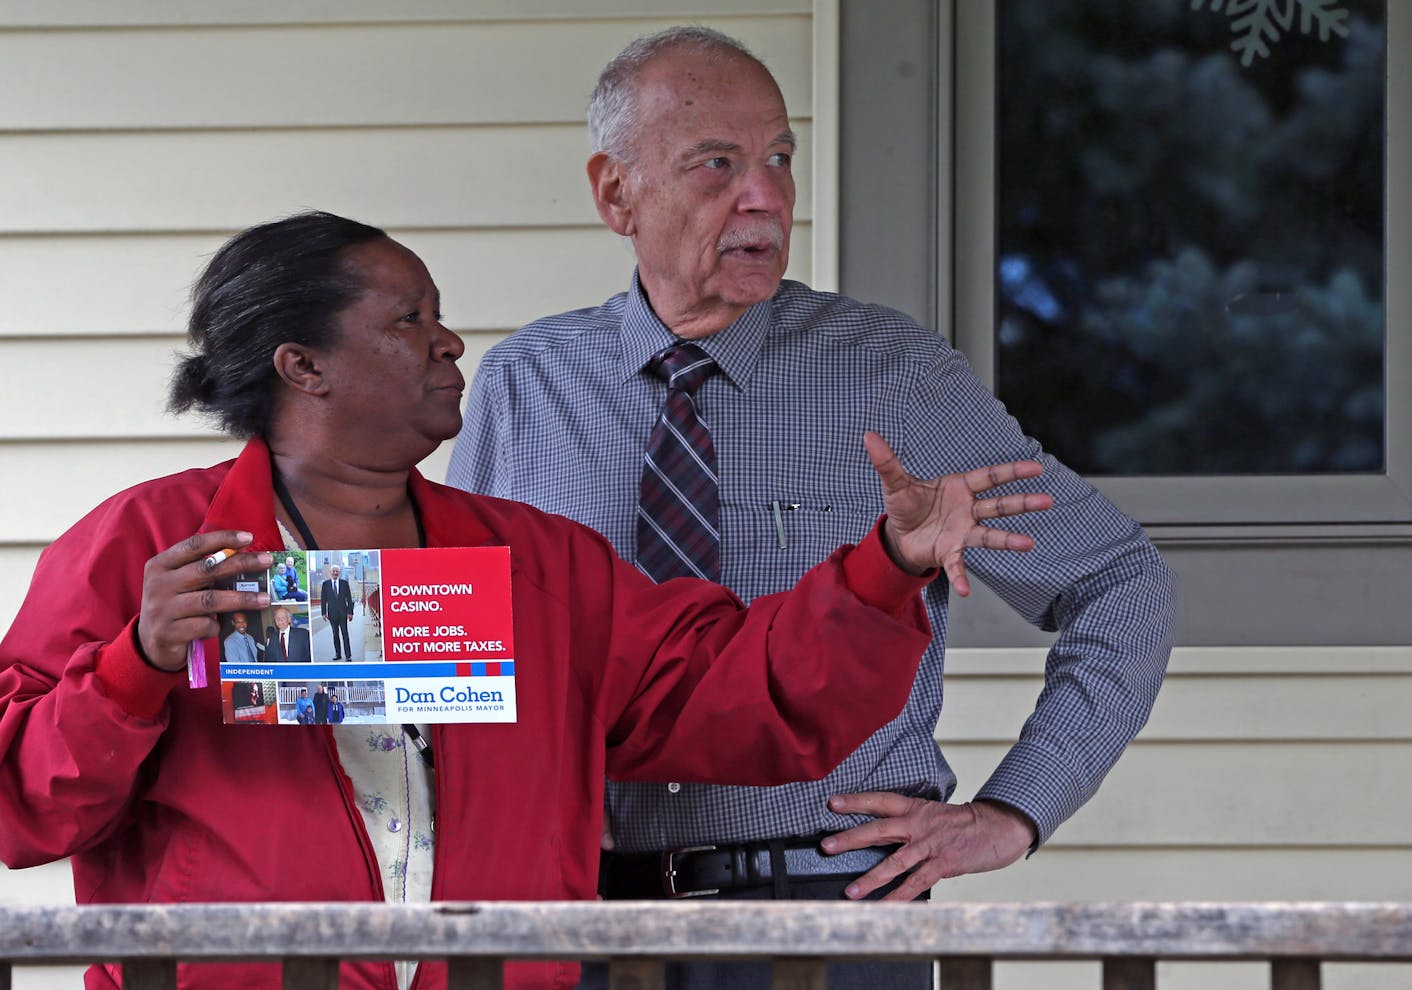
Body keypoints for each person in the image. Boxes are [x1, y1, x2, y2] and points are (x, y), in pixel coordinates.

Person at [0, 210, 1054, 990]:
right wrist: (134, 667)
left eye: (441, 317)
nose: (450, 342)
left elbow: (735, 694)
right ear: (301, 366)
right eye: (409, 320)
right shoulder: (147, 545)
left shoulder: (536, 564)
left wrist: (882, 566)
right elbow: (22, 802)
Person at [445, 26, 1177, 990]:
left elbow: (1122, 584)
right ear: (616, 193)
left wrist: (1011, 814)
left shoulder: (890, 376)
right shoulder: (525, 385)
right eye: (717, 164)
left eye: (780, 159)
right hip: (577, 918)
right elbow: (457, 645)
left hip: (828, 911)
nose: (766, 197)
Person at [320, 563, 355, 659]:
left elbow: (349, 598)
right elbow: (323, 599)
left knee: (345, 635)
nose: (335, 573)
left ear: (339, 572)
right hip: (332, 614)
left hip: (343, 613)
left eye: (337, 571)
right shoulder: (325, 584)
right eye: (333, 571)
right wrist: (323, 613)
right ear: (330, 572)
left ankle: (348, 656)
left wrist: (350, 612)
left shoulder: (344, 583)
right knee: (335, 635)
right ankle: (338, 654)